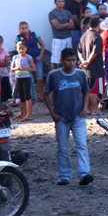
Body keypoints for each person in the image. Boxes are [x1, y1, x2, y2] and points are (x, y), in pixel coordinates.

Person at [43, 49, 92, 185]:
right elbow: (45, 94)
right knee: (62, 147)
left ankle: (84, 174)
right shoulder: (54, 75)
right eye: (68, 60)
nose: (71, 63)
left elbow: (86, 92)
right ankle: (64, 175)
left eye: (73, 60)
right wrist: (52, 113)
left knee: (82, 145)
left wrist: (85, 108)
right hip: (61, 117)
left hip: (78, 116)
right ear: (62, 61)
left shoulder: (81, 74)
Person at [77, 17, 103, 115]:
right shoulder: (96, 36)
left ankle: (87, 108)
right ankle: (95, 109)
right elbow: (95, 52)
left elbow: (79, 50)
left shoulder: (84, 35)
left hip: (84, 67)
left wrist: (83, 61)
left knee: (86, 89)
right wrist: (88, 61)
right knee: (93, 90)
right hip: (95, 67)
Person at [10, 40, 36, 121]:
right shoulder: (15, 57)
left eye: (23, 48)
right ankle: (23, 113)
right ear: (17, 49)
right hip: (18, 78)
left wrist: (24, 68)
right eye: (19, 48)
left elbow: (34, 68)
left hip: (26, 78)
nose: (21, 50)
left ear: (26, 48)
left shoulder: (28, 57)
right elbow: (12, 68)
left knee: (28, 96)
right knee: (21, 97)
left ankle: (29, 115)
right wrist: (17, 68)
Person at [48, 0, 76, 68]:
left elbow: (72, 25)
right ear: (55, 3)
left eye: (63, 1)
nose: (61, 3)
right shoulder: (52, 13)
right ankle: (53, 74)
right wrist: (67, 24)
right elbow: (57, 26)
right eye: (59, 1)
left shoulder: (68, 13)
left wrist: (64, 25)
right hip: (58, 39)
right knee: (55, 59)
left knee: (68, 57)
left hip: (68, 37)